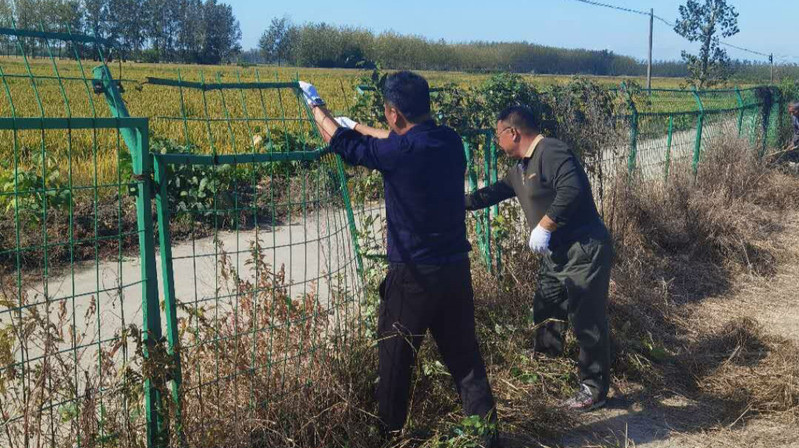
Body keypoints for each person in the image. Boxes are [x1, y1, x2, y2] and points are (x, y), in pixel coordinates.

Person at [298, 72, 499, 445]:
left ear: (394, 113)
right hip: (455, 268)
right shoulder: (449, 141)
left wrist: (316, 105)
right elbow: (394, 139)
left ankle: (390, 436)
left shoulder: (399, 154)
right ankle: (486, 434)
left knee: (395, 358)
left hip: (413, 276)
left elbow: (340, 143)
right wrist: (358, 125)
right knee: (464, 356)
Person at [466, 105, 613, 411]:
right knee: (547, 307)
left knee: (586, 317)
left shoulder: (551, 151)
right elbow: (492, 193)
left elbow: (572, 189)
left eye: (498, 134)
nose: (497, 142)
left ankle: (594, 388)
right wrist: (453, 203)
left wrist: (545, 226)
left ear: (513, 132)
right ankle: (548, 365)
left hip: (584, 248)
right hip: (556, 253)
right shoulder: (521, 168)